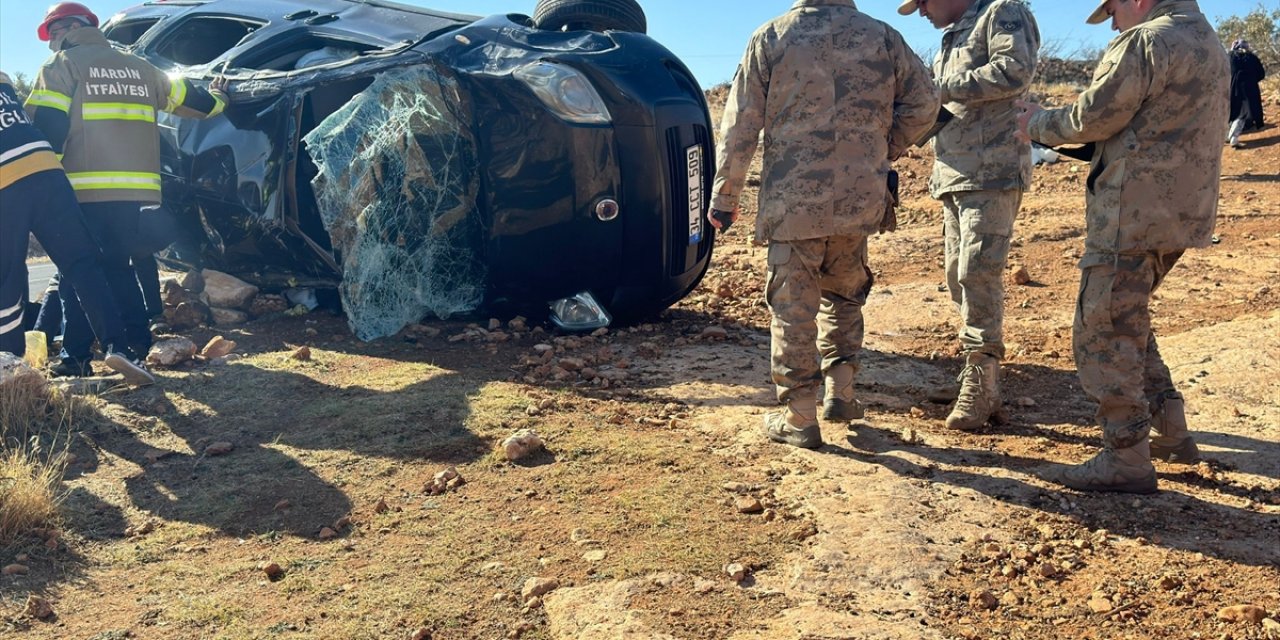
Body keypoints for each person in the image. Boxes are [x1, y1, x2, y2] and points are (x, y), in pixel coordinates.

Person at [1017, 0, 1228, 493]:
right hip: (1180, 212)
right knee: (1127, 317)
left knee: (1103, 329)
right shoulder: (1206, 39)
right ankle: (1171, 430)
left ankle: (1127, 456)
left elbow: (1094, 115)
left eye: (1112, 9)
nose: (1112, 21)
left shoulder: (1146, 41)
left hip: (1132, 213)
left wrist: (1036, 122)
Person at [709, 0, 940, 448]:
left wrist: (725, 196)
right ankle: (843, 393)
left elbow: (741, 124)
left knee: (793, 307)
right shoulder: (883, 35)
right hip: (860, 196)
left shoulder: (772, 36)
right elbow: (926, 102)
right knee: (845, 292)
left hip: (795, 200)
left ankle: (799, 417)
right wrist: (881, 147)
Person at [25, 2, 230, 377]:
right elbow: (196, 101)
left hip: (79, 189)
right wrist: (220, 96)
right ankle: (137, 342)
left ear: (71, 28)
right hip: (132, 191)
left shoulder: (62, 66)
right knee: (118, 265)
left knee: (77, 269)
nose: (51, 43)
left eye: (53, 33)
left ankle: (75, 358)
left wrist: (42, 186)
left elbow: (49, 130)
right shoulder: (140, 68)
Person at [899, 0, 1040, 431]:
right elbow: (948, 107)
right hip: (956, 174)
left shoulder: (1002, 12)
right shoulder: (955, 33)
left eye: (923, 1)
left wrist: (944, 85)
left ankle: (982, 383)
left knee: (978, 273)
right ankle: (978, 375)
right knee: (957, 275)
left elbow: (1014, 71)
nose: (921, 10)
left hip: (992, 170)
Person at [1, 70, 153, 385]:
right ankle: (118, 347)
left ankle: (10, 366)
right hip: (47, 170)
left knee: (7, 275)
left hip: (5, 181)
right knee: (82, 265)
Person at [1226, 39, 1266, 148]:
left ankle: (1227, 135)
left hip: (1233, 88)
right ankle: (1233, 138)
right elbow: (1261, 74)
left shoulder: (1230, 56)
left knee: (1232, 111)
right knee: (1242, 113)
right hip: (1250, 89)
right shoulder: (1252, 57)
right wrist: (1251, 79)